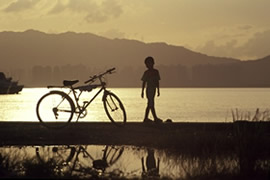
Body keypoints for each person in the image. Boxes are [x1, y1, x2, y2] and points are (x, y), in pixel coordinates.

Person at [141, 56, 162, 123]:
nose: (147, 65)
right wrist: (142, 91)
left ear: (153, 63)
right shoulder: (146, 72)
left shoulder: (156, 72)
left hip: (153, 89)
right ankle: (149, 118)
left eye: (148, 63)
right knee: (150, 103)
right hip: (149, 89)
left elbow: (157, 82)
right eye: (146, 64)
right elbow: (144, 82)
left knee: (151, 104)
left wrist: (158, 90)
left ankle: (151, 118)